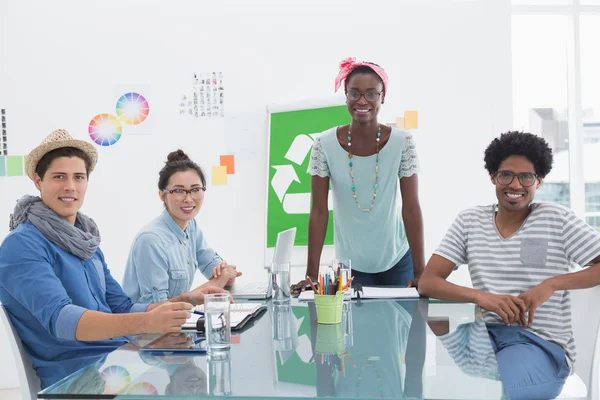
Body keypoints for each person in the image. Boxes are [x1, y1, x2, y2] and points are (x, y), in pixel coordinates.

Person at [0, 130, 226, 389]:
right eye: (59, 177)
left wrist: (183, 300)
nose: (70, 186)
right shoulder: (22, 245)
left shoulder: (85, 240)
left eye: (79, 177)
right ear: (38, 181)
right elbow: (62, 320)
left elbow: (121, 306)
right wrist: (146, 322)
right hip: (75, 378)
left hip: (115, 360)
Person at [418, 131, 600, 399]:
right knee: (436, 386)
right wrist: (483, 298)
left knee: (493, 390)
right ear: (493, 176)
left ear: (539, 181)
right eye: (506, 175)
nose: (515, 184)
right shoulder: (470, 221)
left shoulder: (557, 219)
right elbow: (428, 282)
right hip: (482, 337)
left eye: (526, 176)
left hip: (538, 345)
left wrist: (551, 284)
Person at [292, 57, 424, 293]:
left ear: (383, 96)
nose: (362, 101)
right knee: (355, 329)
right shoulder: (324, 144)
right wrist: (311, 274)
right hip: (350, 266)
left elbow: (411, 207)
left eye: (371, 94)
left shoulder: (402, 142)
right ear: (345, 95)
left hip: (397, 259)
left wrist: (421, 272)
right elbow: (319, 211)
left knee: (403, 328)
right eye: (355, 93)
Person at [122, 150, 240, 303]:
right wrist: (217, 283)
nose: (189, 199)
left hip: (176, 322)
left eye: (196, 189)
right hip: (146, 325)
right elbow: (157, 308)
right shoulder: (151, 240)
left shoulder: (191, 227)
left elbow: (220, 270)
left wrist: (226, 275)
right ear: (162, 195)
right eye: (179, 191)